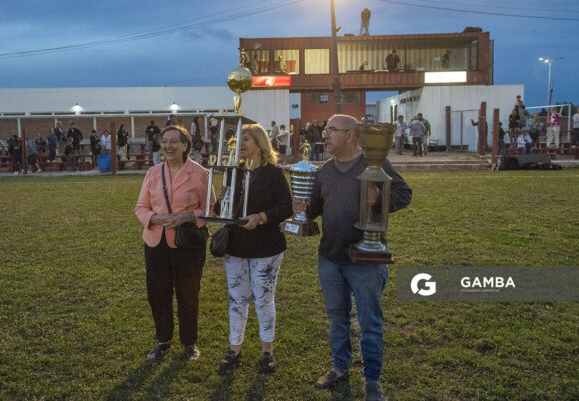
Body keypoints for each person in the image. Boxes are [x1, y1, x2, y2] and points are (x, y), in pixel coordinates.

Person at [292, 114, 411, 401]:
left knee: (370, 322)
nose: (326, 135)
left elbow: (404, 193)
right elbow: (315, 208)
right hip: (330, 257)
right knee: (337, 317)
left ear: (349, 135)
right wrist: (303, 208)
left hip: (366, 260)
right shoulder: (324, 171)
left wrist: (380, 200)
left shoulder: (375, 162)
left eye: (331, 130)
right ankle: (340, 367)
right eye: (326, 129)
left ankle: (372, 381)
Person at [215, 123, 293, 375]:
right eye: (237, 140)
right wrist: (219, 201)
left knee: (263, 299)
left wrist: (260, 217)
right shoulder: (233, 172)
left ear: (259, 144)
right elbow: (224, 211)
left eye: (245, 139)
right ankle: (234, 349)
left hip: (266, 247)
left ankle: (267, 352)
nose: (239, 144)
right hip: (236, 246)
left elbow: (286, 207)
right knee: (237, 299)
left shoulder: (273, 173)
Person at [135, 125, 215, 362]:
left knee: (188, 293)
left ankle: (190, 342)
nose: (168, 146)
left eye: (173, 142)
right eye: (164, 141)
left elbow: (210, 209)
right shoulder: (153, 173)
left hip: (187, 244)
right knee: (158, 293)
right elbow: (141, 207)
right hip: (155, 242)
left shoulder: (200, 174)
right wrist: (155, 218)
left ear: (185, 145)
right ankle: (163, 341)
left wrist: (187, 217)